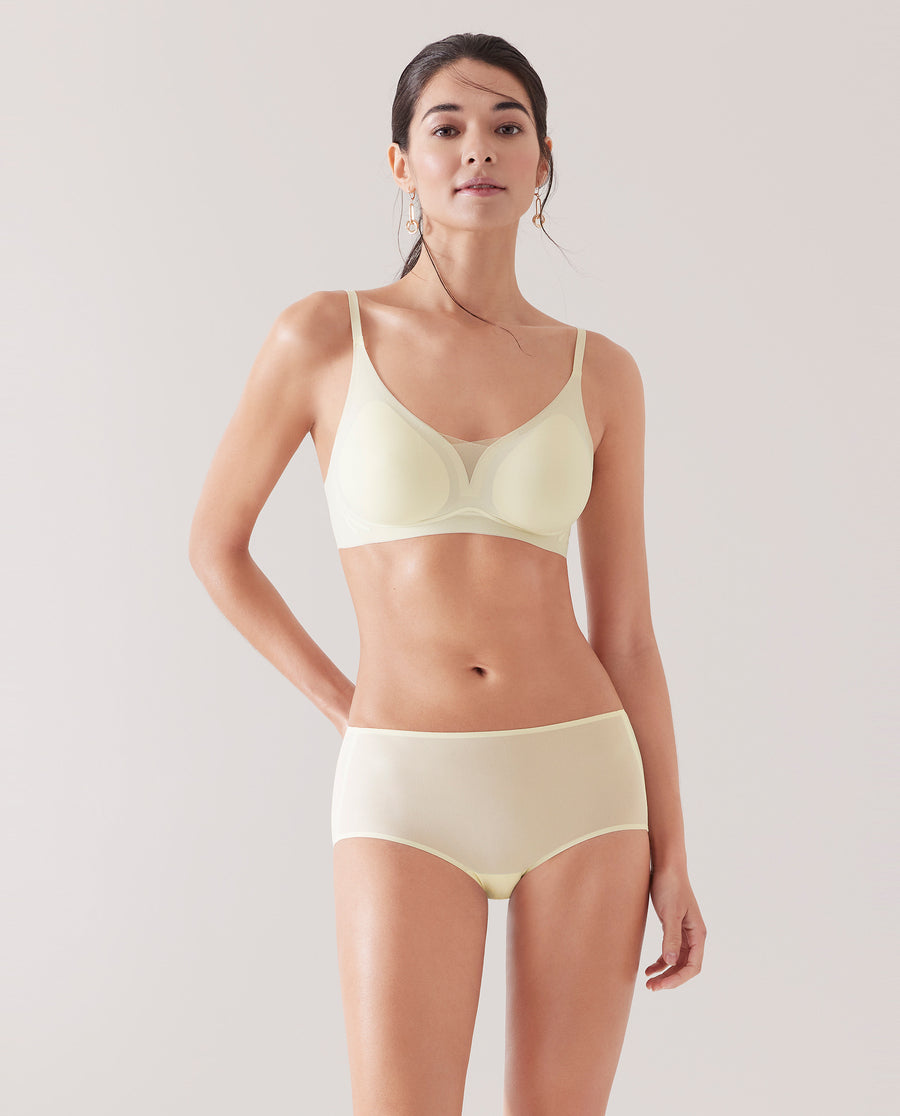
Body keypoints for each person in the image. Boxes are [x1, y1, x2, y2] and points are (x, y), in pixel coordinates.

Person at [189, 31, 706, 1115]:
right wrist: (347, 707)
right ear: (402, 162)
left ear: (543, 160)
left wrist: (674, 851)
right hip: (405, 786)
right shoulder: (323, 337)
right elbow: (216, 547)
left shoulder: (600, 372)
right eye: (448, 127)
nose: (479, 148)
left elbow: (628, 636)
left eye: (508, 126)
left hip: (584, 781)